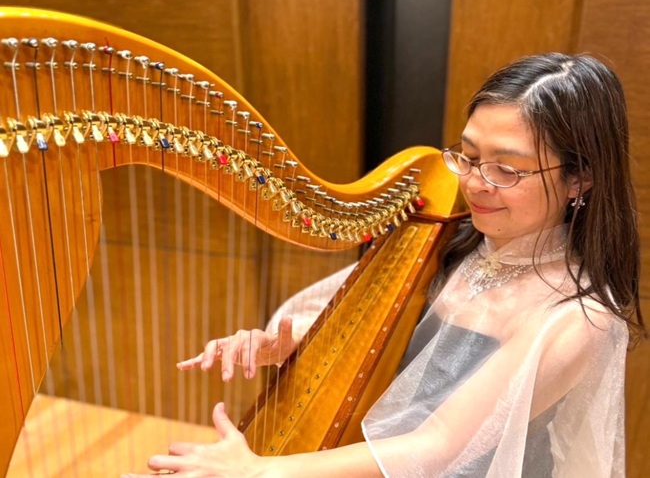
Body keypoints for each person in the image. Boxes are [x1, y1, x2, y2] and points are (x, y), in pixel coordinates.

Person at [122, 53, 644, 477]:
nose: (474, 183)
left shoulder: (578, 318)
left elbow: (438, 446)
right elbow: (399, 346)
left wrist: (259, 470)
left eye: (506, 169)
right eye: (467, 156)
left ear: (581, 179)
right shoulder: (451, 241)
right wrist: (289, 343)